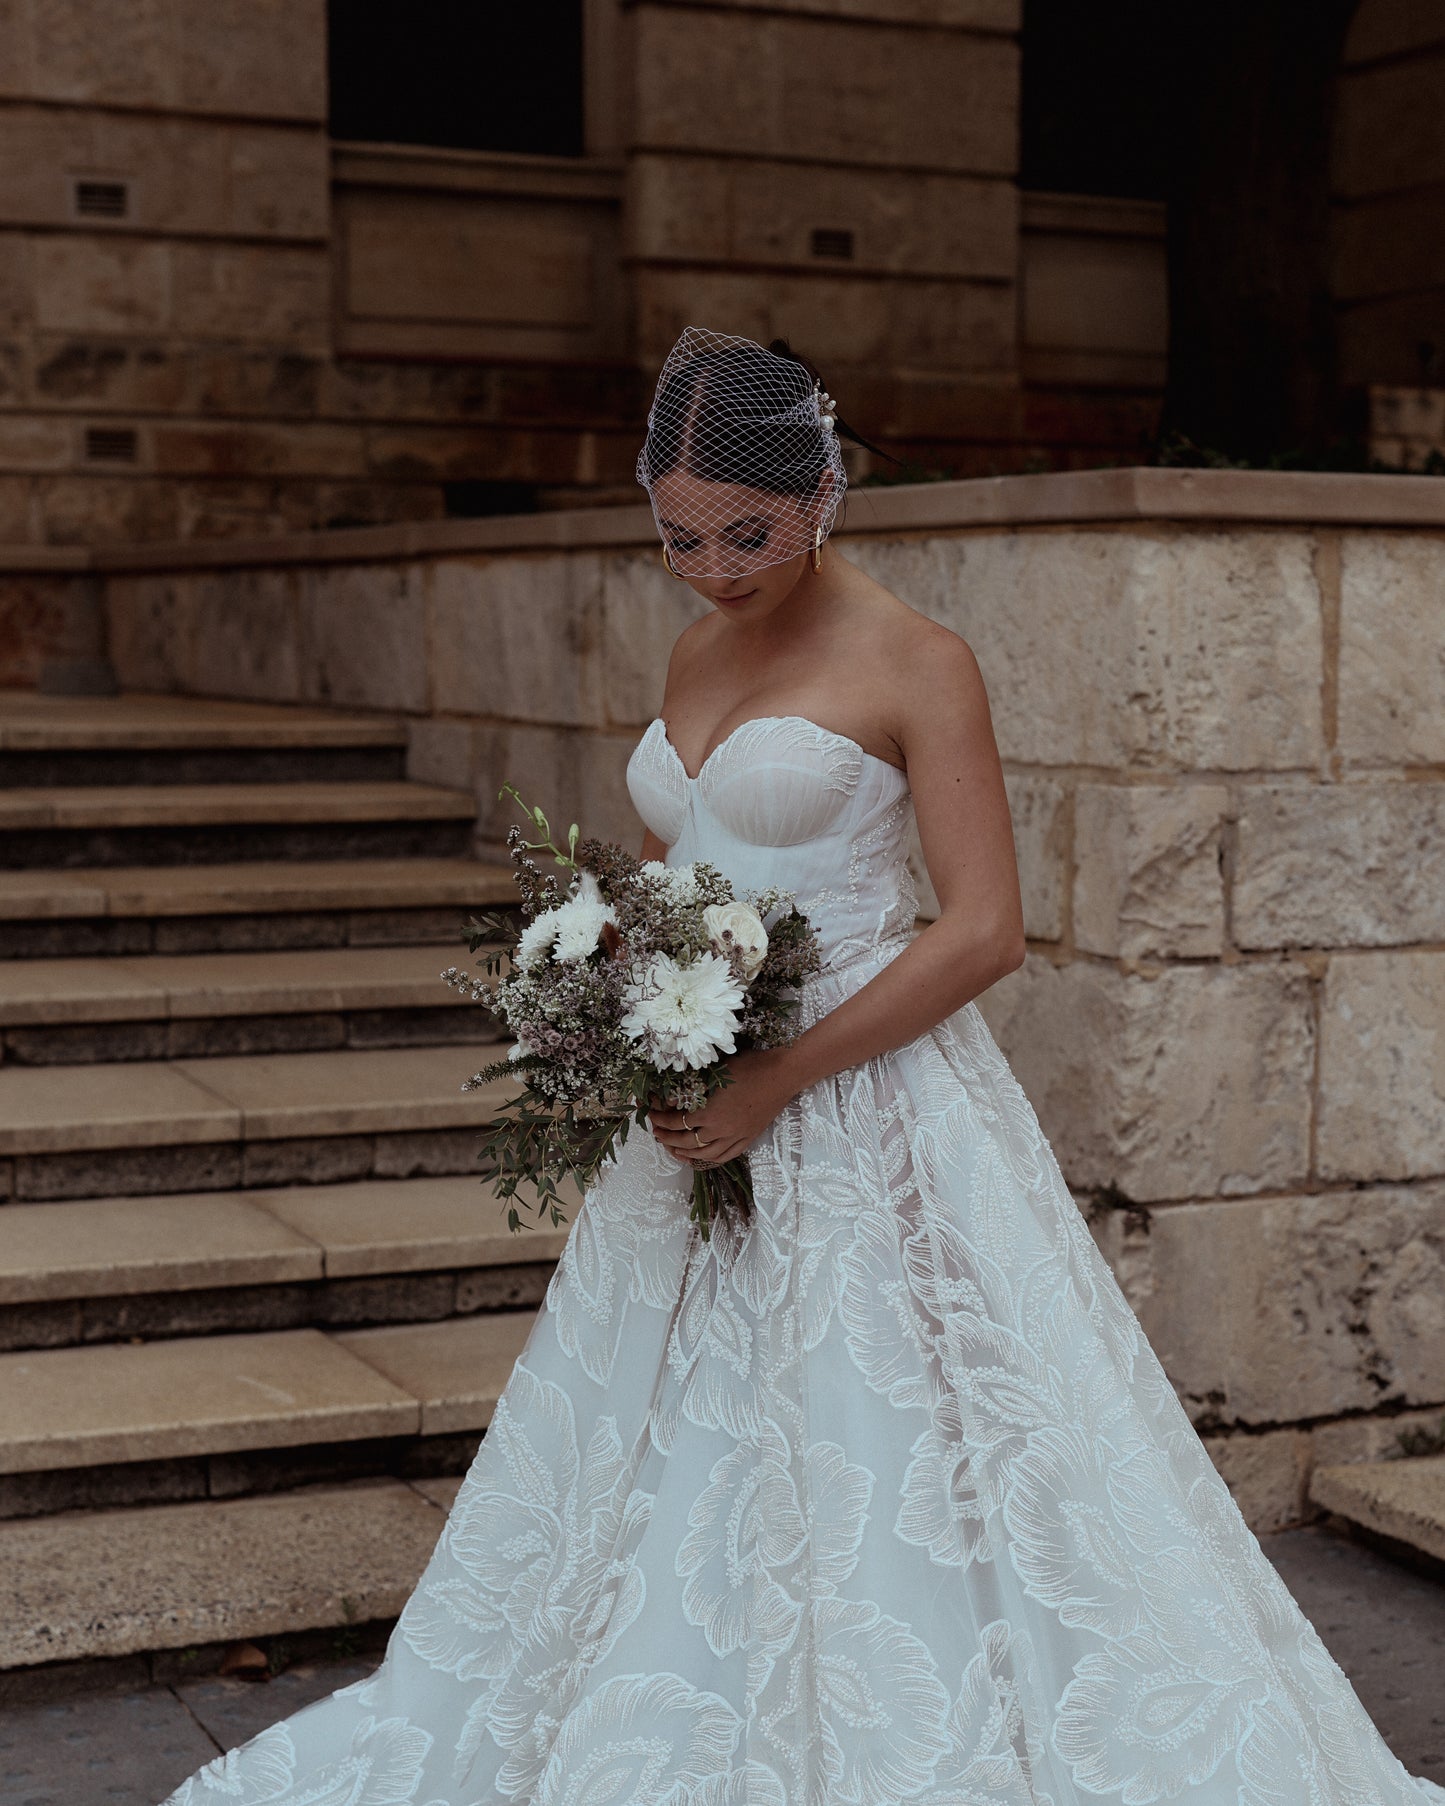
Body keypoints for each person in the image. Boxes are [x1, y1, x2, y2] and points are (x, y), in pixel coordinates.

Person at [161, 327, 1444, 1804]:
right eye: (679, 537)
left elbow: (982, 931)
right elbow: (670, 863)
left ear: (825, 487)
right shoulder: (698, 643)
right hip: (700, 1100)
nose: (713, 567)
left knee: (887, 1441)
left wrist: (776, 1079)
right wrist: (619, 989)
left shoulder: (917, 660)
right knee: (663, 1440)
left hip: (869, 1107)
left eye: (747, 533)